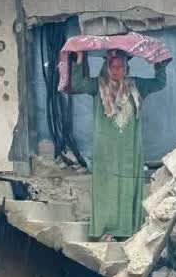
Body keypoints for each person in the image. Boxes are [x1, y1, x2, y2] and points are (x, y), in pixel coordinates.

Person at [70, 49, 170, 241]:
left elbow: (159, 83)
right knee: (105, 188)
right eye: (113, 66)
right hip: (105, 149)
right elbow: (77, 84)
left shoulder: (136, 85)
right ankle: (105, 229)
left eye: (120, 67)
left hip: (129, 149)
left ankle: (128, 231)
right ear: (107, 67)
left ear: (126, 68)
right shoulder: (97, 86)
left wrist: (160, 64)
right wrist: (79, 60)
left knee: (127, 185)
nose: (116, 70)